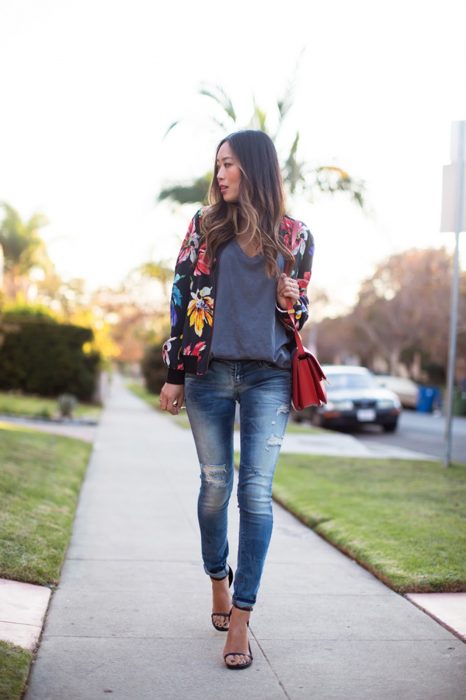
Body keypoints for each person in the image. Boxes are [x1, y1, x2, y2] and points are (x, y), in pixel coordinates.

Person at [159, 129, 315, 670]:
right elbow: (182, 299)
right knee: (213, 488)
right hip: (208, 374)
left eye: (227, 164)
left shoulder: (295, 236)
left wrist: (290, 301)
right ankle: (217, 577)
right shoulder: (204, 227)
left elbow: (298, 316)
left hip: (268, 376)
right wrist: (175, 372)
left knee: (256, 494)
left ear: (253, 167)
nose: (219, 174)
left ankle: (242, 617)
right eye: (216, 164)